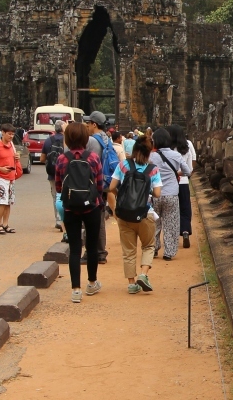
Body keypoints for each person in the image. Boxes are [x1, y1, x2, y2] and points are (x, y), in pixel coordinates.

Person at [54, 120, 104, 303]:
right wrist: (95, 200)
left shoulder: (62, 159)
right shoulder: (92, 158)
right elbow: (99, 184)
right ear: (85, 138)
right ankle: (91, 283)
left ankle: (76, 289)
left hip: (70, 208)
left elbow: (59, 187)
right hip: (91, 207)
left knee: (74, 249)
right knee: (91, 247)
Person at [108, 136, 162, 293]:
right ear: (149, 152)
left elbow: (111, 186)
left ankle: (131, 283)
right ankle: (144, 274)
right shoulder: (152, 169)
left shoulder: (123, 165)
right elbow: (157, 193)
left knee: (128, 250)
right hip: (145, 213)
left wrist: (122, 196)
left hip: (124, 214)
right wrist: (147, 190)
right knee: (148, 245)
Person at [150, 126, 191, 261]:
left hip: (155, 194)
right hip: (172, 194)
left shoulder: (151, 156)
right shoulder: (176, 155)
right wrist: (176, 173)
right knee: (171, 223)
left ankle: (154, 248)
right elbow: (187, 171)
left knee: (154, 222)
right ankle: (169, 252)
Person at [82, 113, 112, 264]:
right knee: (99, 219)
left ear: (94, 124)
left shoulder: (92, 140)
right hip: (104, 182)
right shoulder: (107, 138)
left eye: (88, 123)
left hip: (93, 184)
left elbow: (89, 164)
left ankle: (93, 252)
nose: (86, 126)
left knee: (90, 219)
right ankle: (100, 252)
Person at [0, 122, 23, 233]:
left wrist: (17, 157)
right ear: (3, 133)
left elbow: (15, 159)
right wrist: (0, 169)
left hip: (11, 177)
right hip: (1, 176)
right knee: (2, 201)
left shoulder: (12, 145)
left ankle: (6, 224)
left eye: (12, 134)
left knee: (9, 202)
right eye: (9, 134)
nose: (11, 136)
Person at [170, 124, 196, 249]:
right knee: (185, 208)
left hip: (169, 183)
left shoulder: (167, 148)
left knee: (171, 210)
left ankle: (172, 236)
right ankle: (185, 231)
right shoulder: (188, 145)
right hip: (184, 182)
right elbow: (190, 168)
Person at [41, 119, 66, 229]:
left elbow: (42, 158)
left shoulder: (48, 140)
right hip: (66, 173)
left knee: (56, 196)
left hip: (53, 173)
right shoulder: (68, 139)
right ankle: (66, 219)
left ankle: (58, 220)